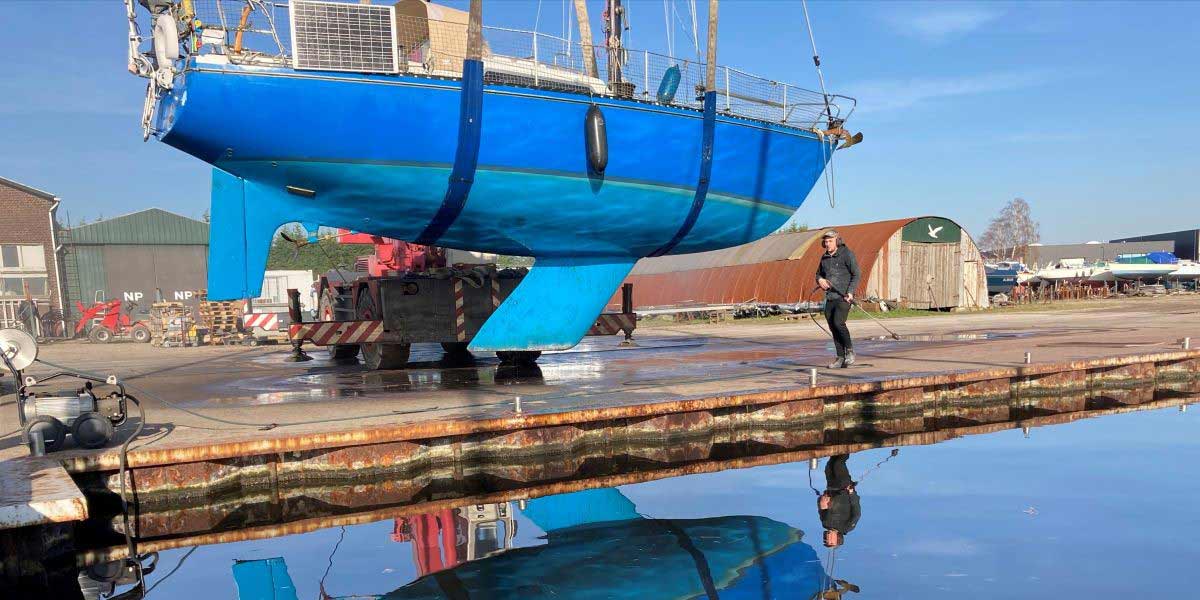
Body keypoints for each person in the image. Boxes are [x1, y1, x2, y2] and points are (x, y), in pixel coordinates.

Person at [815, 230, 860, 368]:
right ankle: (840, 357)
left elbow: (856, 274)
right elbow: (818, 274)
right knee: (833, 327)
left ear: (837, 241)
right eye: (826, 241)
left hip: (844, 297)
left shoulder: (847, 254)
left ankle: (850, 351)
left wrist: (850, 292)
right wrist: (820, 280)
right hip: (830, 297)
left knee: (838, 323)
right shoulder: (824, 258)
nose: (828, 244)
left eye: (830, 241)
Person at [817, 454, 860, 548]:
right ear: (838, 539)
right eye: (831, 542)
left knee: (829, 466)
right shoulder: (847, 527)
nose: (827, 539)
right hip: (844, 488)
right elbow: (856, 512)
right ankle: (846, 447)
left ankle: (837, 448)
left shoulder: (825, 524)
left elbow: (821, 509)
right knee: (838, 464)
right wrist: (852, 493)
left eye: (826, 541)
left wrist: (821, 501)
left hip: (831, 488)